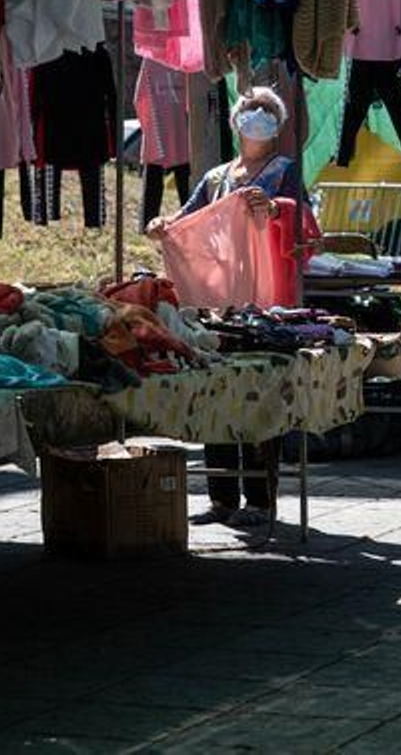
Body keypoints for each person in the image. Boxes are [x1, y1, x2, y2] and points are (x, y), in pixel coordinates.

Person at [146, 86, 300, 528]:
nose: (258, 116)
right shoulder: (217, 178)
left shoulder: (284, 172)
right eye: (251, 109)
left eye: (268, 111)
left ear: (280, 124)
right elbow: (188, 218)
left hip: (263, 302)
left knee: (257, 396)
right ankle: (222, 498)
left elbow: (303, 219)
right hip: (215, 303)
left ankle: (260, 499)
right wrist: (164, 225)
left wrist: (273, 209)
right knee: (215, 391)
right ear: (235, 121)